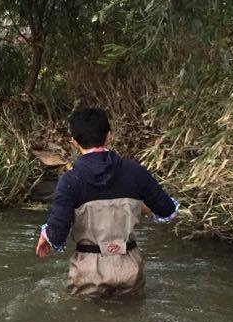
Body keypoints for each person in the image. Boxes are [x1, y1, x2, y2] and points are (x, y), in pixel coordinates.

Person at [35, 108, 179, 296]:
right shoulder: (134, 172)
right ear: (109, 136)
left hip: (89, 269)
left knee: (87, 321)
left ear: (74, 142)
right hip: (129, 266)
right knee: (131, 318)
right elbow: (167, 210)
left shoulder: (70, 180)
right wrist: (137, 206)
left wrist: (46, 235)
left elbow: (58, 232)